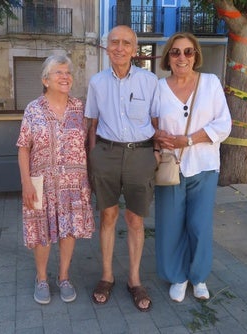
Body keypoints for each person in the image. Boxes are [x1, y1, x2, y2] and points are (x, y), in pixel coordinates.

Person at [85, 25, 159, 312]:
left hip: (140, 156)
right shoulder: (96, 82)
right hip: (106, 153)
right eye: (114, 41)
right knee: (107, 215)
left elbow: (157, 122)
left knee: (135, 220)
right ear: (106, 46)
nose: (119, 47)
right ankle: (106, 275)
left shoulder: (149, 81)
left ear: (134, 49)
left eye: (125, 43)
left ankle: (134, 279)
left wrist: (155, 154)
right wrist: (94, 155)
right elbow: (91, 123)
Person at [154, 32, 231, 303]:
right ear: (168, 57)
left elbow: (224, 125)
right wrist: (157, 138)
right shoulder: (159, 88)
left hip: (205, 166)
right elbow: (152, 123)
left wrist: (186, 139)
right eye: (175, 52)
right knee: (170, 225)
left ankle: (198, 276)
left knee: (199, 225)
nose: (182, 57)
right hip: (169, 167)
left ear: (196, 55)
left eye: (188, 52)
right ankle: (178, 276)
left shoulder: (211, 83)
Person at [16, 55, 95, 305]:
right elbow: (23, 148)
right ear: (45, 80)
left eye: (68, 72)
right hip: (40, 182)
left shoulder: (80, 108)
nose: (65, 76)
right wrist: (26, 183)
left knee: (69, 229)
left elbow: (90, 142)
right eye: (58, 72)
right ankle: (41, 278)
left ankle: (63, 277)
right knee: (41, 231)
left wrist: (90, 178)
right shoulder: (33, 109)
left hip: (74, 183)